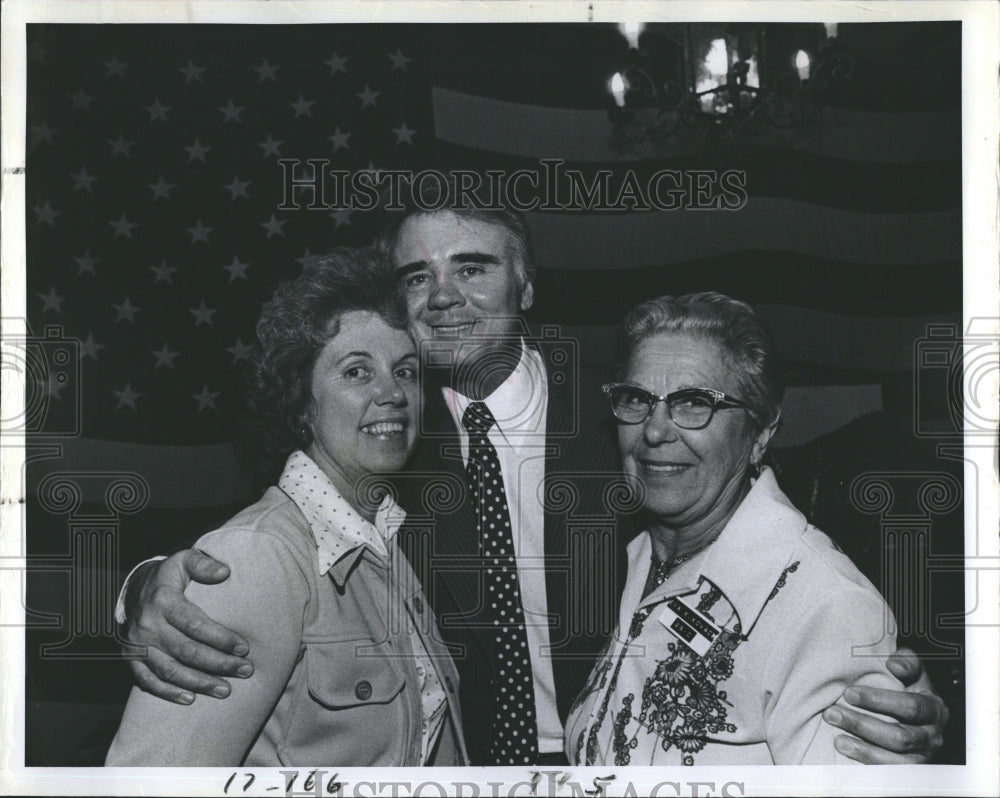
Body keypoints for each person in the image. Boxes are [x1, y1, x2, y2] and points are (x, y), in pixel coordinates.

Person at [115, 199, 948, 765]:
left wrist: (892, 695)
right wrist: (147, 589)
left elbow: (771, 559)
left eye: (472, 268)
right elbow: (282, 550)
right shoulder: (390, 442)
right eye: (416, 277)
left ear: (527, 285)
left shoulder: (628, 425)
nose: (443, 297)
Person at [106, 248, 466, 766]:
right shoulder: (259, 559)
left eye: (406, 371)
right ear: (301, 402)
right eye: (357, 373)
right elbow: (148, 779)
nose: (393, 394)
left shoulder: (388, 540)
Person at [565, 292, 904, 765]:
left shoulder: (827, 607)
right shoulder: (631, 557)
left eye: (694, 403)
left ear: (760, 433)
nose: (656, 430)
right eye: (637, 399)